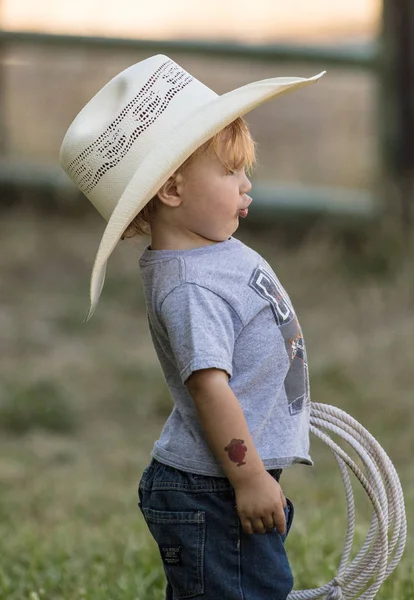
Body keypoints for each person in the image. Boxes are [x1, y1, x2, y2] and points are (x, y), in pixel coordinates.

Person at [60, 54, 325, 600]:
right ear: (173, 191)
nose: (246, 184)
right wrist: (248, 478)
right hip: (211, 489)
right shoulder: (190, 287)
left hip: (216, 486)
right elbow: (209, 385)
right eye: (230, 172)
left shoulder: (208, 254)